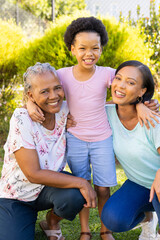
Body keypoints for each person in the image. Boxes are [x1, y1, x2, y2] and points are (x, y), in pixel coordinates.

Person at [27, 17, 159, 240]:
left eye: (95, 48)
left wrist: (143, 103)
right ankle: (85, 230)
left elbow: (127, 87)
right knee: (82, 186)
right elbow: (40, 88)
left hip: (102, 139)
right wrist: (29, 103)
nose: (89, 53)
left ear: (101, 49)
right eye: (82, 48)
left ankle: (106, 231)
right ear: (72, 49)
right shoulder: (62, 75)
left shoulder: (108, 73)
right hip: (75, 137)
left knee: (102, 188)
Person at [0, 62, 97, 240]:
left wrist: (140, 103)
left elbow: (99, 106)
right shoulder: (22, 119)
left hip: (49, 189)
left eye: (57, 88)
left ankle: (51, 221)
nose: (54, 96)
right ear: (31, 95)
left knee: (74, 195)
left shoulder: (65, 109)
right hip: (17, 196)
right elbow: (33, 174)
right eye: (44, 91)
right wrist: (82, 182)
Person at [101, 60, 160, 240]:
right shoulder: (106, 113)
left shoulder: (152, 119)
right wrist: (29, 103)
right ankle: (148, 218)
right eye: (118, 78)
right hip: (139, 185)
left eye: (131, 82)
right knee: (113, 218)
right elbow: (78, 110)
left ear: (142, 91)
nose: (121, 85)